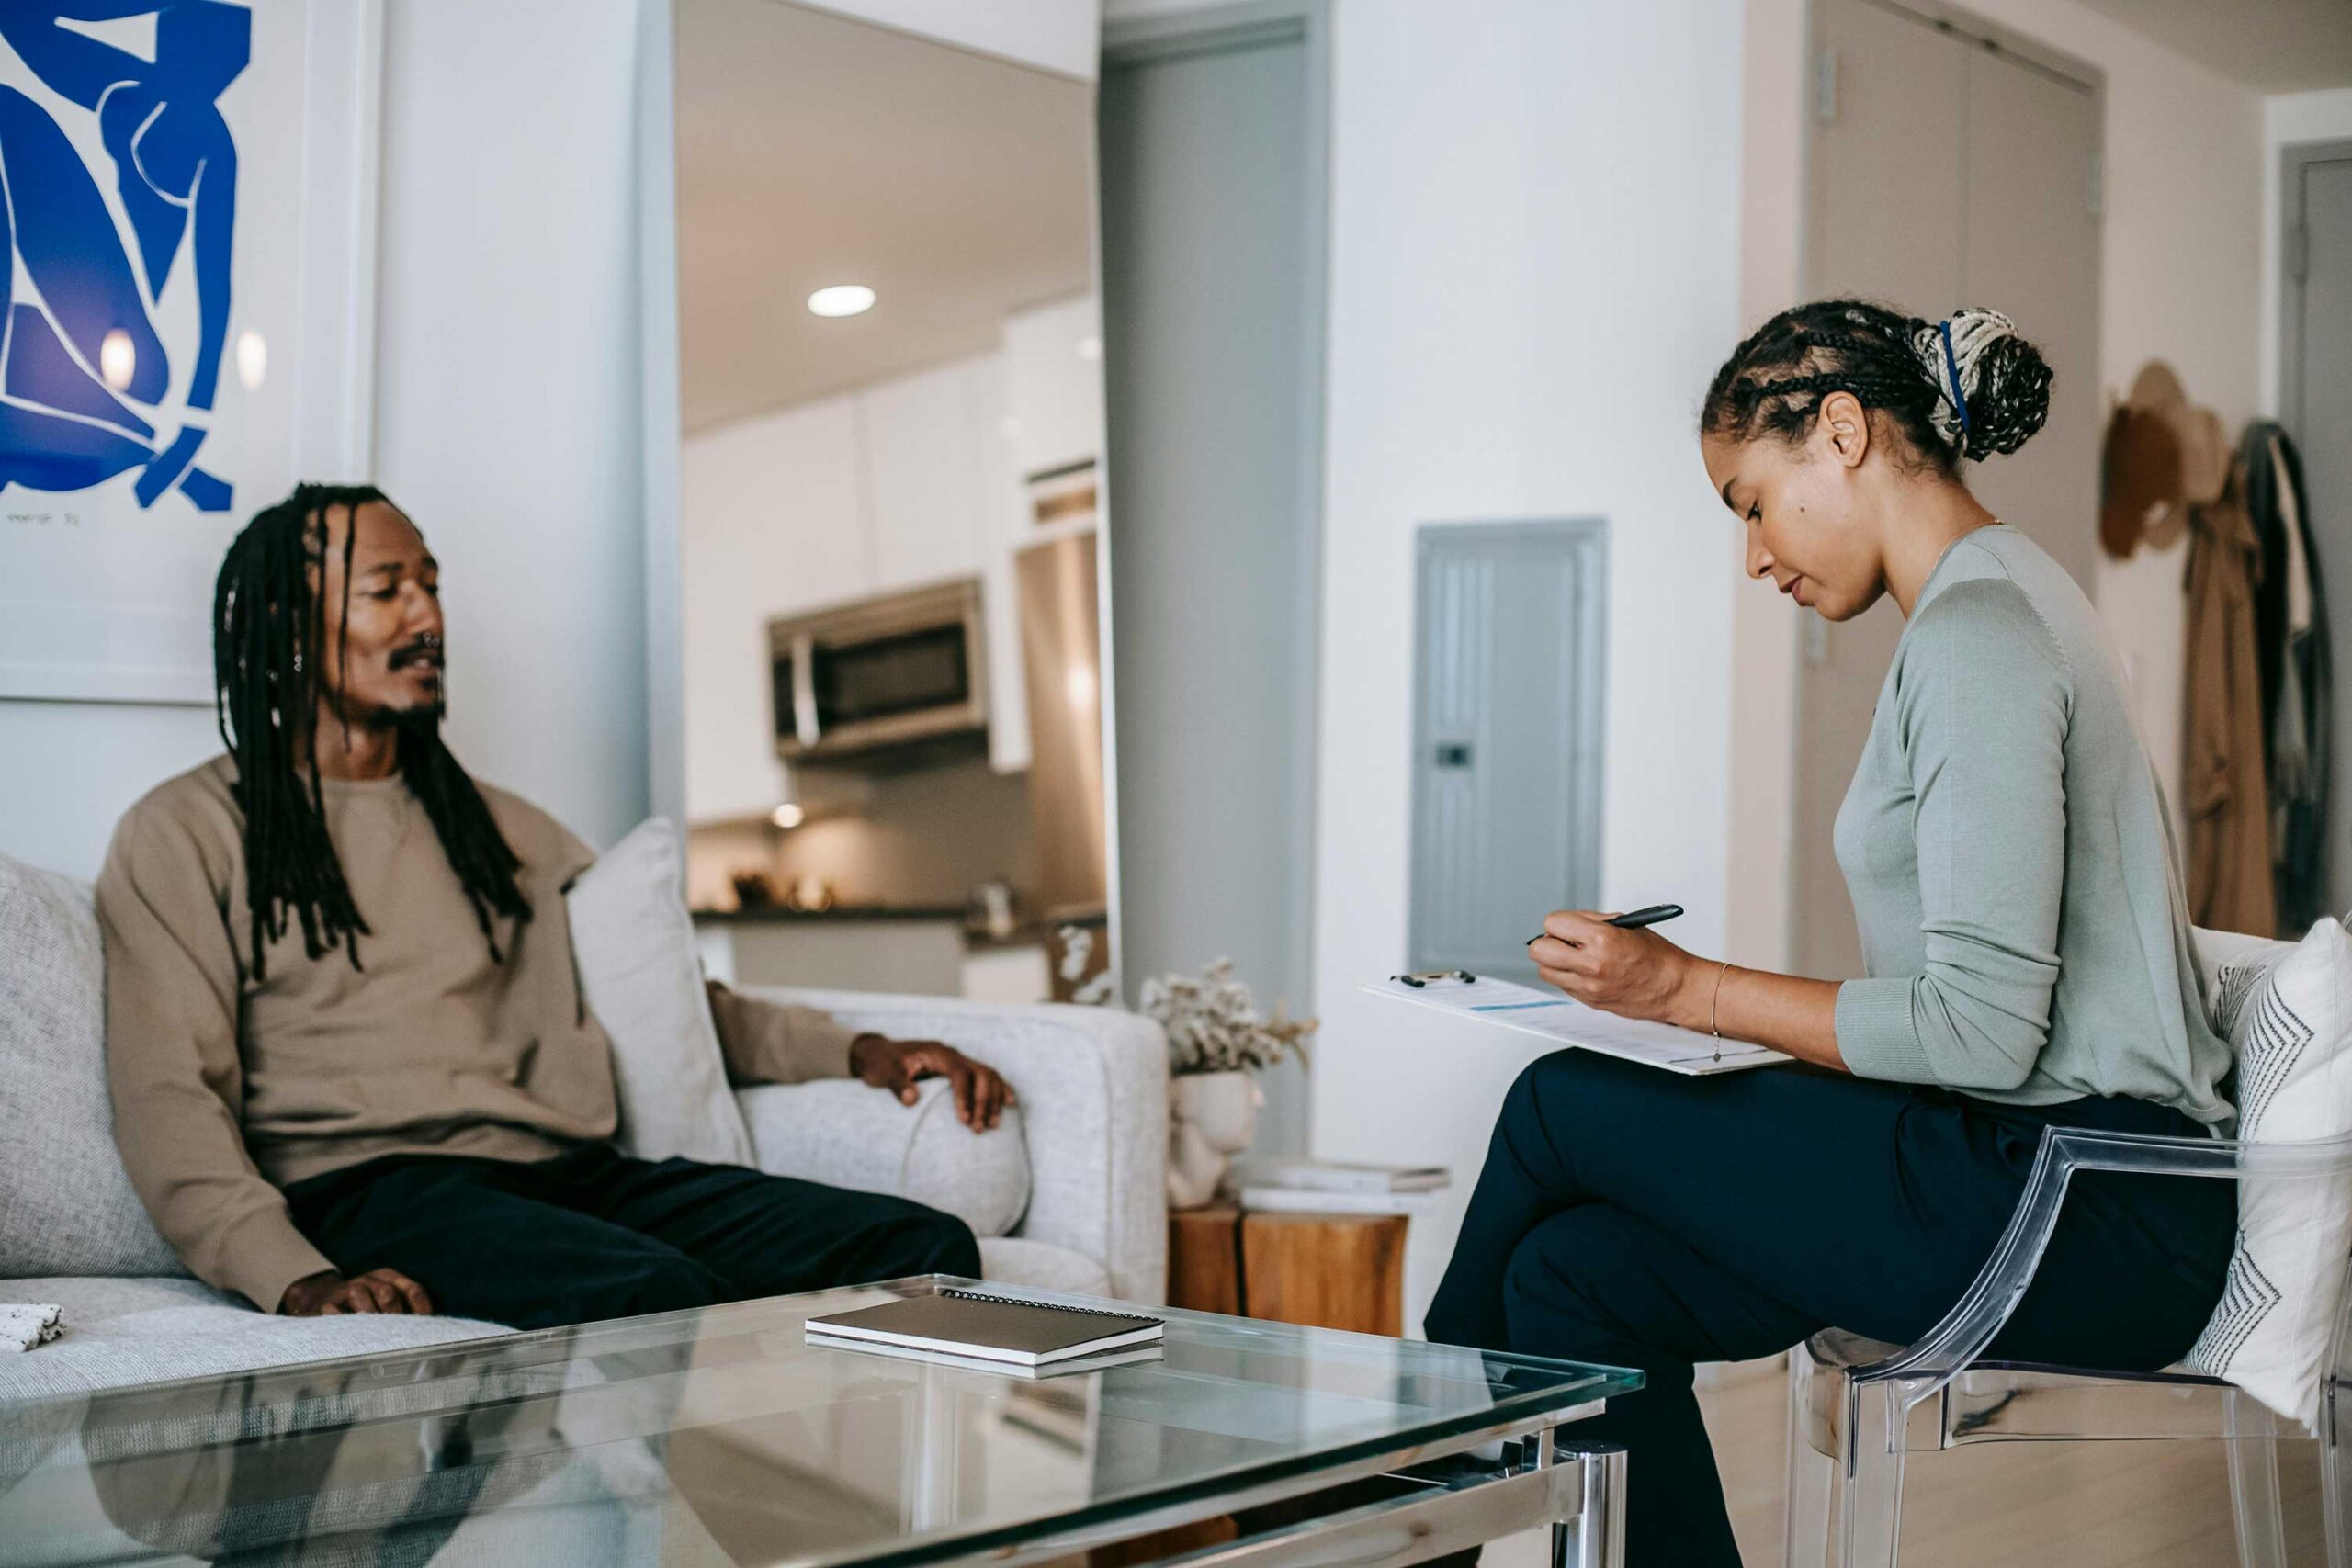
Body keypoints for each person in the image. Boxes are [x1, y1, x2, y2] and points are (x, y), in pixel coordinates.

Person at [1425, 303, 2237, 1567]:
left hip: (2091, 1202)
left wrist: (1687, 989)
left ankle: (1407, 1509)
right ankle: (1430, 1497)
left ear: (1842, 434)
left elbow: (1980, 1024)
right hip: (2033, 1169)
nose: (1753, 556)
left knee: (1555, 1106)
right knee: (1573, 1274)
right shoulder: (1996, 606)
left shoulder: (1981, 636)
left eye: (1750, 501)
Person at [99, 483, 1012, 1329]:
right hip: (366, 1190)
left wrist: (858, 1050)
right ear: (286, 623)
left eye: (431, 586)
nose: (428, 616)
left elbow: (676, 1003)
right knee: (656, 1299)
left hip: (569, 1175)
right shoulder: (189, 832)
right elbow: (168, 1097)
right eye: (386, 591)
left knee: (922, 1249)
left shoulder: (506, 833)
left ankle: (890, 1504)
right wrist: (294, 1277)